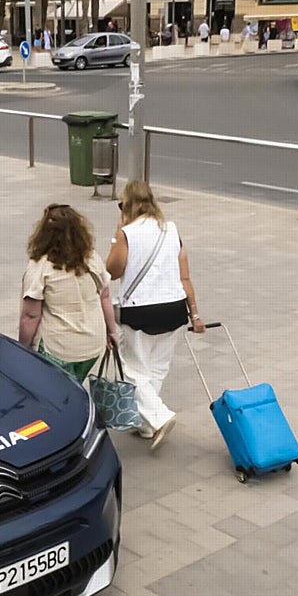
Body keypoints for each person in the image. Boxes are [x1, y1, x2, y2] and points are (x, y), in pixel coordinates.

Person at [105, 180, 205, 450]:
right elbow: (185, 276)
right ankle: (146, 426)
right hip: (174, 309)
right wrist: (195, 315)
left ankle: (160, 416)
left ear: (126, 205)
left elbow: (112, 271)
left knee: (130, 369)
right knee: (157, 368)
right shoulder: (171, 229)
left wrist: (118, 229)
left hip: (140, 310)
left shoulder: (127, 232)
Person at [19, 204, 118, 382]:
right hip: (92, 344)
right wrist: (112, 331)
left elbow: (30, 316)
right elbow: (105, 297)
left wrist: (22, 349)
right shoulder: (91, 259)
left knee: (55, 394)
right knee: (75, 387)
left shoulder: (40, 266)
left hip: (58, 348)